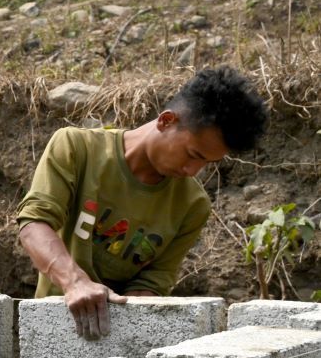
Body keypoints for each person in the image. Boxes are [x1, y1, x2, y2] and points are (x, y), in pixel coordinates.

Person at [17, 68, 270, 340]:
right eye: (193, 154)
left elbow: (153, 281)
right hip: (52, 327)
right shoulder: (77, 148)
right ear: (166, 121)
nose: (192, 170)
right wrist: (75, 282)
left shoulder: (193, 205)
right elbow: (34, 224)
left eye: (207, 163)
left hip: (119, 343)